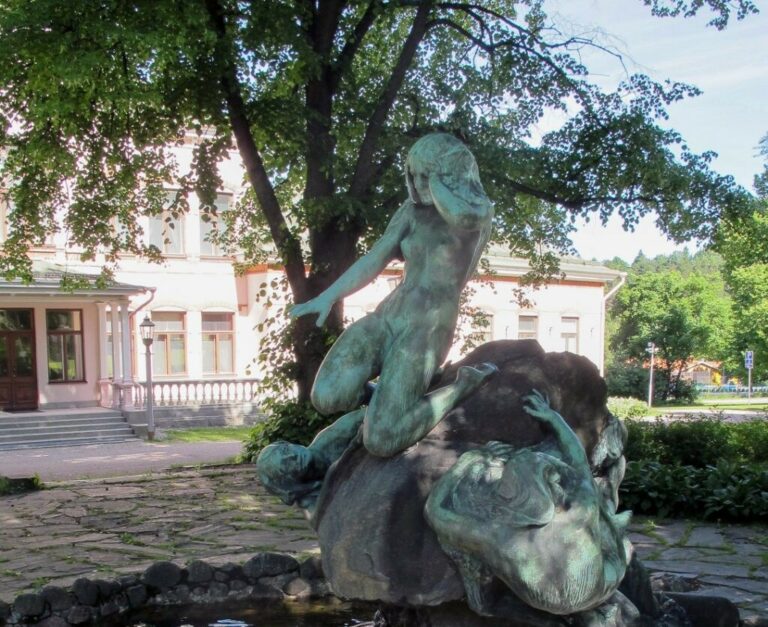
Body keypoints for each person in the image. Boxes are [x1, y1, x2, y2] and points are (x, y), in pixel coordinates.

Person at [291, 133, 496, 458]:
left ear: (448, 174)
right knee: (328, 395)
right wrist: (327, 296)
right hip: (388, 315)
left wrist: (439, 180)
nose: (415, 183)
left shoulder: (478, 211)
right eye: (411, 174)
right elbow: (376, 257)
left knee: (382, 440)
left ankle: (460, 388)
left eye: (423, 175)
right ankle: (389, 404)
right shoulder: (410, 212)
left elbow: (461, 215)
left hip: (426, 328)